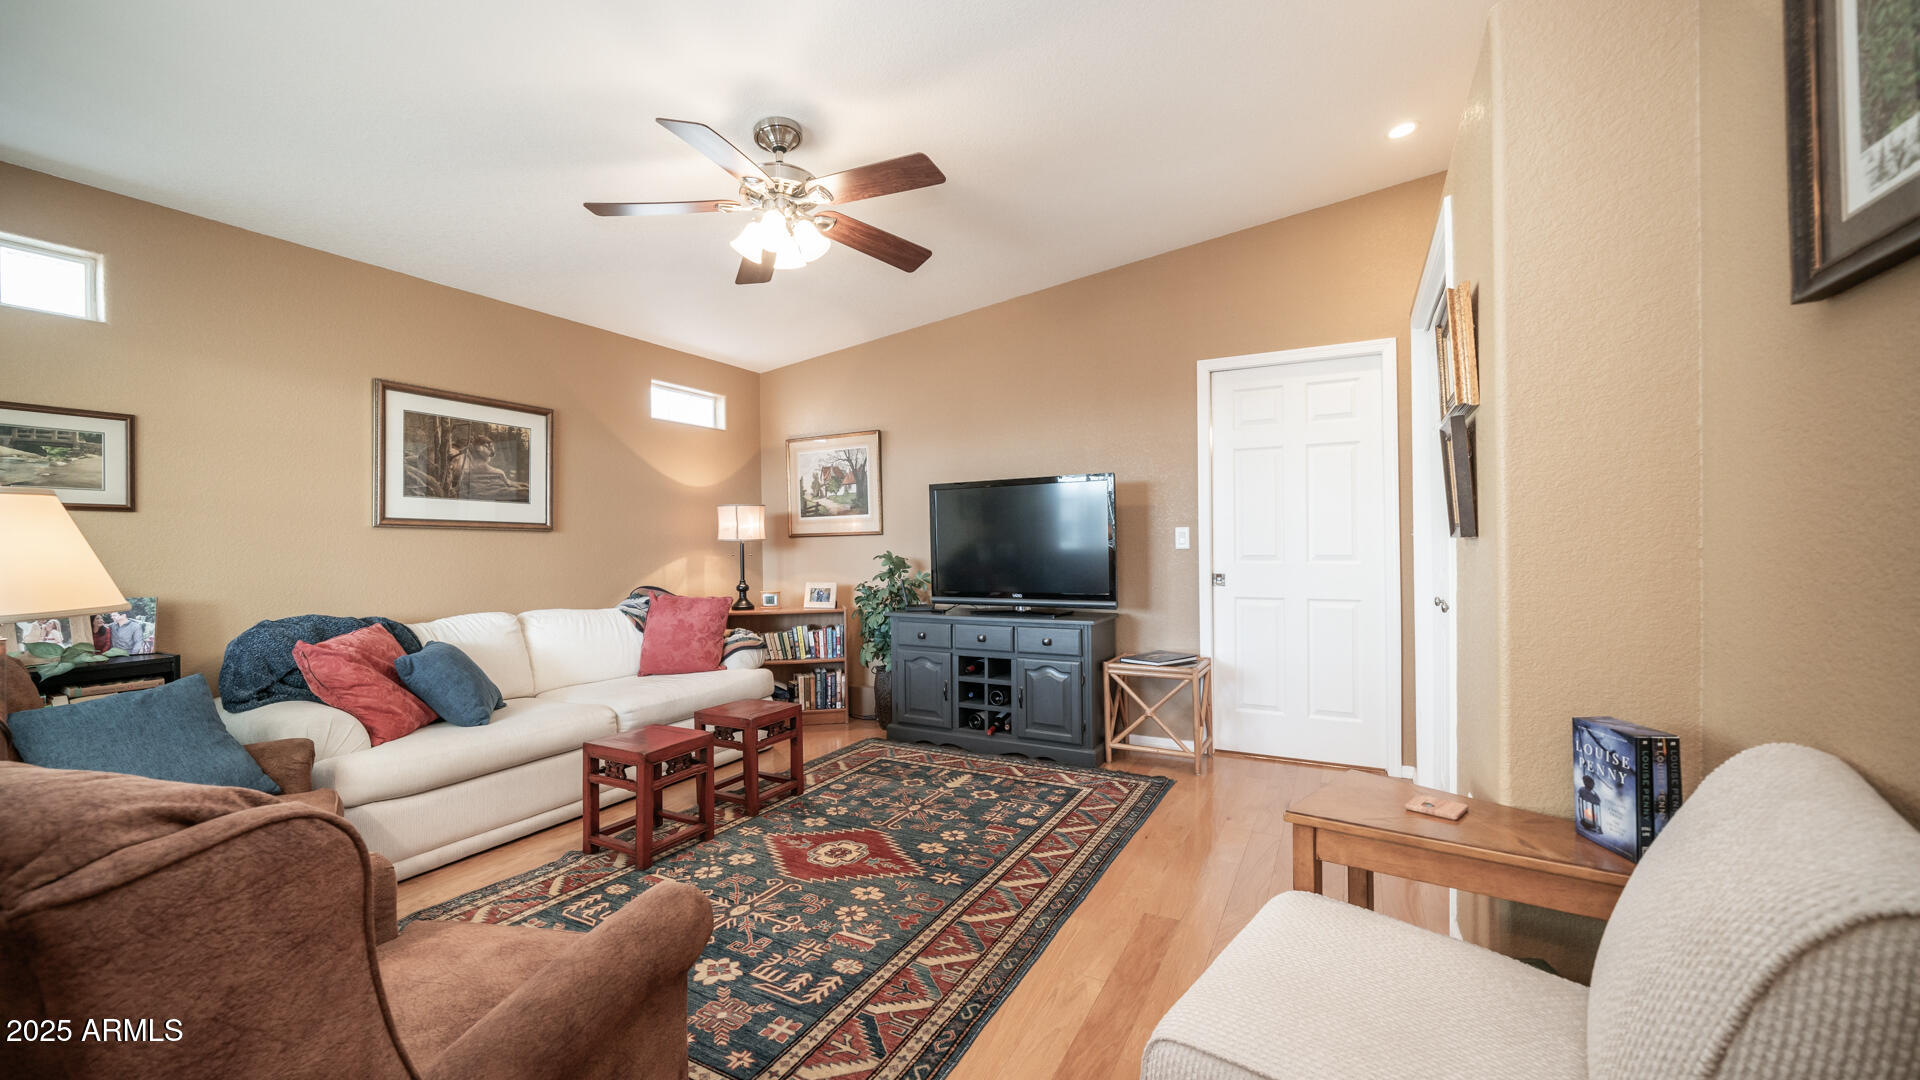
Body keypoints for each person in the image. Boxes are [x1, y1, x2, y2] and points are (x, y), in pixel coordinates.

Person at [455, 435, 527, 502]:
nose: (492, 449)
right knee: (524, 492)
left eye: (492, 446)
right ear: (478, 447)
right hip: (477, 491)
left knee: (524, 487)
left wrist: (520, 484)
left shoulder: (480, 459)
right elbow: (465, 470)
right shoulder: (467, 457)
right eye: (487, 446)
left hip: (486, 487)